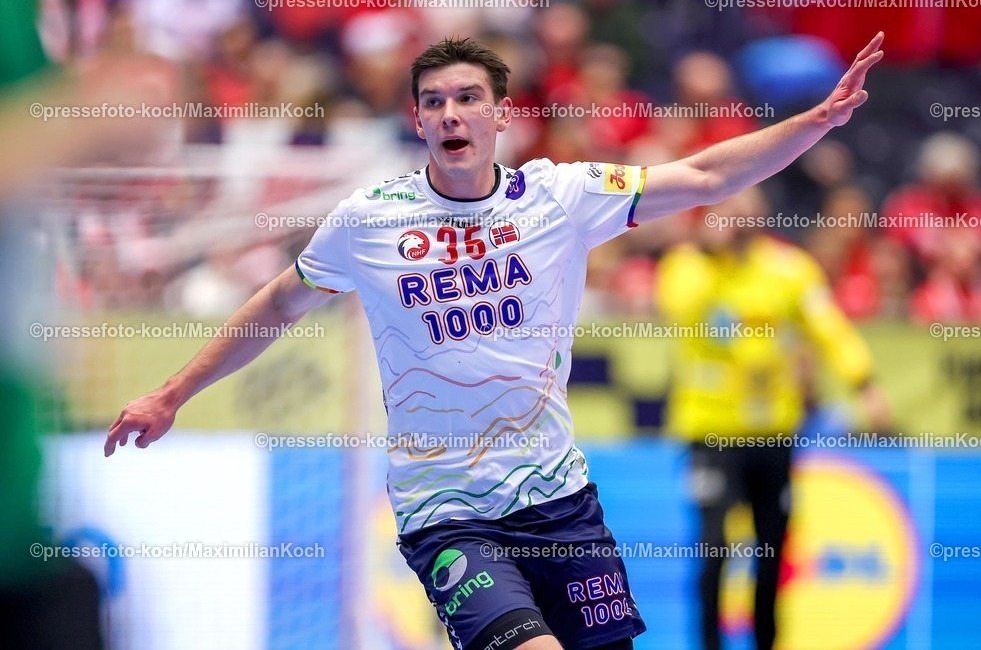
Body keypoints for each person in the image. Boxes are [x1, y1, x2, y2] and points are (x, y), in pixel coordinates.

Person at [105, 33, 885, 650]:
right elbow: (278, 305)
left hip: (560, 501)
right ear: (416, 121)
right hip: (447, 510)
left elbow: (708, 176)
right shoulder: (368, 220)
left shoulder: (563, 195)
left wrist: (815, 122)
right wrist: (172, 392)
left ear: (501, 114)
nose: (451, 114)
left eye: (468, 98)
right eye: (434, 102)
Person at [655, 188, 889, 650]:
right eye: (729, 208)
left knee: (773, 549)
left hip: (772, 438)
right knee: (714, 548)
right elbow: (678, 306)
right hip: (711, 436)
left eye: (748, 206)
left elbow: (829, 328)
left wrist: (865, 383)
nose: (739, 216)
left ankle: (768, 643)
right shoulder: (687, 266)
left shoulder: (790, 269)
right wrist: (712, 251)